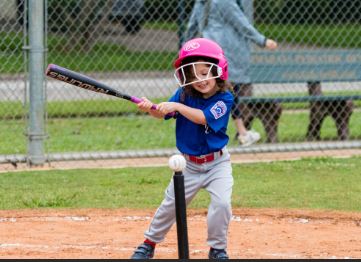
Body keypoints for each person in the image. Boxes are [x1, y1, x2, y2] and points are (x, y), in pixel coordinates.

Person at [130, 38, 234, 259]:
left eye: (206, 72)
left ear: (219, 70)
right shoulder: (184, 95)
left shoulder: (225, 99)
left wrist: (176, 106)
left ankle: (217, 249)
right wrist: (151, 108)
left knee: (222, 204)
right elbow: (162, 113)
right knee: (170, 206)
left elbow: (202, 118)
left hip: (217, 164)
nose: (201, 79)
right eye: (194, 75)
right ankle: (149, 244)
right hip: (188, 166)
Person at [184, 0, 278, 146]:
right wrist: (262, 41)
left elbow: (191, 28)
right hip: (222, 53)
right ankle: (242, 133)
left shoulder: (200, 2)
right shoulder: (224, 1)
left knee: (216, 93)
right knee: (226, 92)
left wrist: (184, 52)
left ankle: (240, 133)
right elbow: (242, 24)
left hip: (205, 53)